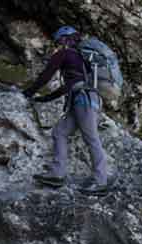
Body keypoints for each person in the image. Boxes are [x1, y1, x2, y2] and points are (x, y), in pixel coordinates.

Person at [22, 26, 108, 193]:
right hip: (85, 100)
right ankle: (57, 174)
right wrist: (44, 99)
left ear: (65, 40)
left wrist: (28, 93)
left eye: (59, 41)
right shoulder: (81, 60)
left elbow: (46, 75)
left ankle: (100, 181)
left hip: (83, 101)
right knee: (59, 132)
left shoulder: (65, 54)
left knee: (91, 138)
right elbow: (69, 86)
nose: (58, 45)